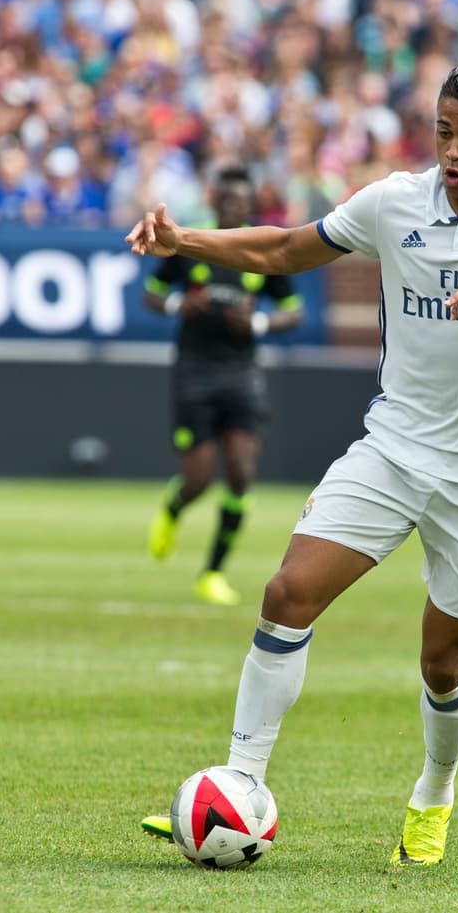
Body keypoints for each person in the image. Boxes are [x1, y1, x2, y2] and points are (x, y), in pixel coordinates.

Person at [127, 58, 458, 866]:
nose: (454, 151)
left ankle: (434, 791)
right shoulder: (395, 200)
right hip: (395, 446)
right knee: (287, 591)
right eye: (443, 131)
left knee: (444, 662)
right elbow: (288, 250)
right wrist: (186, 239)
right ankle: (241, 781)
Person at [143, 165, 305, 605]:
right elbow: (151, 293)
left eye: (241, 200)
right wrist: (180, 303)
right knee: (198, 480)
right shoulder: (190, 244)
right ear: (214, 200)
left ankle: (212, 572)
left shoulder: (260, 250)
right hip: (194, 370)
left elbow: (294, 309)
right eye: (226, 199)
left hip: (241, 374)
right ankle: (176, 507)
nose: (233, 205)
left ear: (250, 204)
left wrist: (256, 322)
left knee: (240, 472)